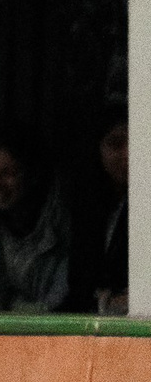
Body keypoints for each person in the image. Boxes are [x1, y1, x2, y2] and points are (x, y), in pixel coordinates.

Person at [0, 131, 71, 313]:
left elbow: (60, 304)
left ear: (33, 175)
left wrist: (12, 311)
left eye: (7, 173)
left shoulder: (63, 225)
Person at [77, 113, 127, 314]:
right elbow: (79, 286)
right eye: (116, 144)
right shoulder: (91, 207)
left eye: (139, 141)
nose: (127, 154)